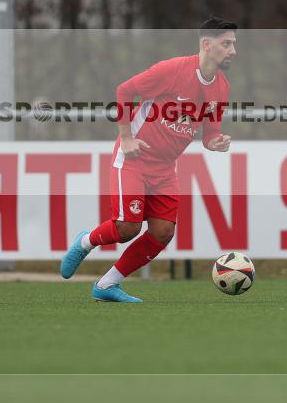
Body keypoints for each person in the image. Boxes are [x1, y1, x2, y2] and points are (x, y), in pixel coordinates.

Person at [60, 17, 236, 302]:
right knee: (127, 228)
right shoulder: (173, 70)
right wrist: (126, 138)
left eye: (233, 44)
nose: (232, 51)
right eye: (226, 44)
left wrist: (215, 142)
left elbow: (209, 133)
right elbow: (124, 91)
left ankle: (107, 285)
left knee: (163, 231)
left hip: (165, 168)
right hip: (134, 159)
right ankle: (85, 241)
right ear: (207, 44)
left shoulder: (222, 88)